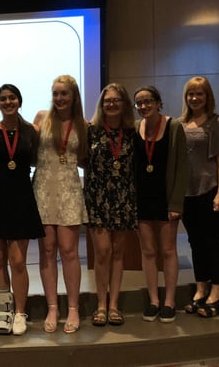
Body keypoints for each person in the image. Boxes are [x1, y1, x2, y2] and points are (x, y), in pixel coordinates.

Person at [0, 84, 45, 336]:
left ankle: (20, 314)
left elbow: (37, 160)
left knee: (18, 261)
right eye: (3, 99)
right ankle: (3, 312)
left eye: (12, 97)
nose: (8, 102)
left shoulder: (32, 131)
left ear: (19, 100)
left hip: (20, 199)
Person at [33, 75, 88, 334]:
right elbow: (30, 155)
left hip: (69, 191)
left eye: (64, 93)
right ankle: (52, 306)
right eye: (55, 93)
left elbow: (86, 160)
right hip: (42, 190)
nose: (59, 98)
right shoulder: (41, 118)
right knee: (47, 252)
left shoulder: (83, 124)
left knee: (69, 252)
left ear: (74, 96)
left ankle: (74, 308)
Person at [133, 85, 188, 323]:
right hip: (142, 198)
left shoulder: (174, 127)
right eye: (139, 103)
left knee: (167, 251)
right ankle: (154, 300)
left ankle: (170, 301)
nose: (143, 106)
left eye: (148, 101)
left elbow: (183, 168)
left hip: (166, 200)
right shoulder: (135, 128)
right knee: (148, 252)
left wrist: (176, 203)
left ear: (158, 102)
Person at [84, 83, 137, 327]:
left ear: (124, 104)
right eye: (107, 100)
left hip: (124, 198)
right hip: (98, 198)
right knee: (102, 252)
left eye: (117, 100)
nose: (112, 104)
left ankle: (113, 305)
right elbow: (82, 161)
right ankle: (100, 304)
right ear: (101, 104)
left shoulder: (133, 132)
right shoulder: (91, 131)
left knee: (118, 253)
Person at [179, 76, 219, 318]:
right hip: (187, 193)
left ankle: (217, 291)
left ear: (207, 97)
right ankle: (201, 288)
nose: (195, 98)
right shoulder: (180, 124)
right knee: (195, 242)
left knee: (212, 242)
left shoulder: (216, 122)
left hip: (210, 190)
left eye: (200, 94)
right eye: (191, 94)